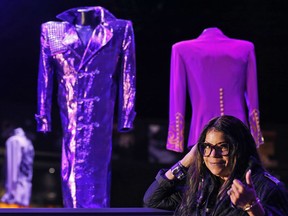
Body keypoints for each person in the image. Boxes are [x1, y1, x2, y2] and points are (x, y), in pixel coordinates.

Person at [35, 6, 136, 208]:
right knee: (71, 172)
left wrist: (126, 117)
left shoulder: (119, 29)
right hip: (70, 117)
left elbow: (128, 75)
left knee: (98, 175)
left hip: (101, 118)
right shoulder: (52, 30)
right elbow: (44, 77)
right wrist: (43, 118)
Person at [143, 115, 288, 215]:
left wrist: (252, 206)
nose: (213, 154)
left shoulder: (266, 187)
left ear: (240, 148)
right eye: (207, 146)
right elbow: (152, 200)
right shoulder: (203, 186)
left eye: (222, 147)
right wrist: (185, 161)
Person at [0, 127, 34, 208]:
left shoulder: (14, 141)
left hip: (16, 194)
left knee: (13, 170)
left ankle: (13, 195)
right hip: (24, 194)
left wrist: (11, 193)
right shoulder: (28, 141)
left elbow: (13, 168)